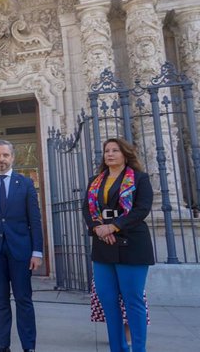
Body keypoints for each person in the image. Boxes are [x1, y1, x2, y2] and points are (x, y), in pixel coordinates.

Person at [82, 137, 154, 352]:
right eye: (107, 151)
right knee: (109, 302)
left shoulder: (140, 179)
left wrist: (113, 227)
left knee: (133, 301)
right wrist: (98, 228)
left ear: (125, 154)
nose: (110, 154)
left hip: (132, 244)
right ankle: (118, 348)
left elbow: (142, 209)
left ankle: (138, 349)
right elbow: (87, 209)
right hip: (103, 245)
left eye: (115, 150)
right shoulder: (95, 180)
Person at [0, 140, 43, 352]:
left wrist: (37, 252)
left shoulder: (25, 184)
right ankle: (2, 344)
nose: (1, 159)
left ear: (13, 157)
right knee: (0, 301)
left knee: (23, 300)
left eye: (5, 155)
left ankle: (28, 346)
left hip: (20, 251)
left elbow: (35, 220)